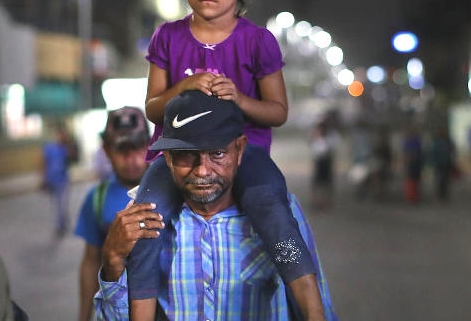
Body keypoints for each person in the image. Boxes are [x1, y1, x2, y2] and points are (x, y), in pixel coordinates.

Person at [127, 0, 321, 318]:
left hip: (241, 156)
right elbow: (152, 108)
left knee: (274, 214)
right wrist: (184, 86)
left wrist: (239, 98)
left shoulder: (258, 41)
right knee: (146, 219)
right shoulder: (167, 37)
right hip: (178, 155)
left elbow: (278, 111)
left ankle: (313, 309)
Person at [94, 90, 337, 320]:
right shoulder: (145, 221)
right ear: (167, 157)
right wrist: (112, 260)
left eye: (218, 153)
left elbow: (317, 309)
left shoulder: (280, 213)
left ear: (240, 149)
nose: (202, 170)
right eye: (186, 154)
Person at [73, 107, 150, 321]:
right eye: (121, 150)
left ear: (150, 144)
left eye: (138, 148)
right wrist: (83, 316)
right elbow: (91, 261)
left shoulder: (169, 190)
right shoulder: (97, 198)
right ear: (106, 150)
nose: (131, 159)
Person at [41, 123, 77, 237]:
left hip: (63, 180)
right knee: (56, 204)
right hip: (52, 179)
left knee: (62, 203)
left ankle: (61, 224)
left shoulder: (65, 148)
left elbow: (73, 158)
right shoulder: (49, 148)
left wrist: (69, 143)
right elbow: (44, 163)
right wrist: (44, 178)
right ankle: (61, 223)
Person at [429, 125, 456, 203]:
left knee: (444, 180)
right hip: (439, 164)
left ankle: (443, 195)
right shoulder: (437, 142)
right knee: (440, 180)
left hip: (445, 163)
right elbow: (433, 153)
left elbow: (452, 150)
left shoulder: (446, 141)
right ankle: (441, 195)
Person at [402, 123, 423, 204]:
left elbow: (420, 151)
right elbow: (405, 152)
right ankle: (411, 196)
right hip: (410, 163)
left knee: (416, 180)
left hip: (416, 163)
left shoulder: (416, 141)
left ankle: (415, 195)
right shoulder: (407, 141)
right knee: (410, 180)